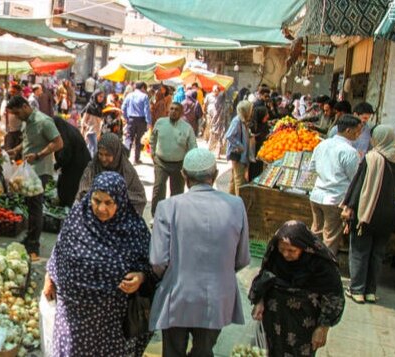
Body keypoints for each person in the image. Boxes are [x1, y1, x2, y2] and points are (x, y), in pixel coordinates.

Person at [150, 148, 250, 357]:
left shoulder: (168, 207)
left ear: (184, 176)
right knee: (203, 351)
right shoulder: (236, 205)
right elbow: (242, 258)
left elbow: (158, 261)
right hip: (217, 297)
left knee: (173, 351)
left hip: (177, 295)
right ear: (214, 176)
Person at [44, 172, 152, 357]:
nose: (101, 208)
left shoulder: (134, 228)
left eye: (109, 202)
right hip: (73, 316)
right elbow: (60, 249)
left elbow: (149, 263)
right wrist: (49, 277)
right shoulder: (78, 218)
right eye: (96, 200)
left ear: (120, 201)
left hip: (110, 322)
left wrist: (140, 277)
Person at [249, 221, 345, 357]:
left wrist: (323, 328)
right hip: (273, 319)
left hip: (302, 325)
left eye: (292, 250)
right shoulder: (274, 254)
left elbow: (334, 297)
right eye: (282, 249)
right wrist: (259, 301)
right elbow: (264, 279)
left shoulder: (321, 264)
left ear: (304, 247)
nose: (286, 255)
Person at [341, 125, 395, 303]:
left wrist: (349, 206)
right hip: (388, 214)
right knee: (377, 254)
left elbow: (358, 185)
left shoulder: (371, 158)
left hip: (367, 212)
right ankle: (370, 291)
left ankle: (357, 290)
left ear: (377, 139)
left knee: (359, 251)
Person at [6, 96, 64, 259]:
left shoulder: (43, 121)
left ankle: (34, 245)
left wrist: (39, 154)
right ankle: (30, 237)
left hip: (40, 171)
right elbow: (28, 141)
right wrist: (17, 150)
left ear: (25, 106)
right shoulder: (27, 122)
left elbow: (58, 143)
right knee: (30, 205)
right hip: (28, 171)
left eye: (18, 113)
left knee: (35, 208)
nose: (17, 117)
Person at [309, 115, 362, 255]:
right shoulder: (350, 152)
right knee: (330, 239)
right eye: (358, 131)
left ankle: (311, 263)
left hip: (317, 196)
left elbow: (312, 167)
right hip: (334, 199)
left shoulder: (322, 145)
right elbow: (354, 178)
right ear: (348, 130)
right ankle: (325, 269)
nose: (359, 134)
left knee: (316, 234)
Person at [77, 133, 147, 215]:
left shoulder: (127, 171)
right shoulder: (92, 168)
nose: (103, 159)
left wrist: (117, 200)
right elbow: (82, 193)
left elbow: (140, 198)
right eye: (100, 154)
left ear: (116, 154)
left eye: (108, 155)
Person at [150, 102, 197, 217]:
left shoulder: (187, 128)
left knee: (177, 192)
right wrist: (153, 153)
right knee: (159, 188)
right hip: (161, 162)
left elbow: (193, 147)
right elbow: (153, 138)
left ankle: (174, 216)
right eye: (171, 109)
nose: (173, 111)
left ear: (181, 113)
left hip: (179, 164)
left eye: (176, 109)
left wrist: (190, 165)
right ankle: (156, 215)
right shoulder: (160, 122)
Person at [52, 116, 91, 207]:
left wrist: (57, 165)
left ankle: (68, 205)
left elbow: (65, 155)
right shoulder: (68, 129)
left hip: (76, 164)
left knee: (69, 185)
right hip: (80, 162)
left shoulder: (64, 134)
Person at [226, 100, 253, 196]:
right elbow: (229, 135)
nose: (251, 112)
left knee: (234, 179)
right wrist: (240, 146)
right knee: (239, 181)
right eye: (250, 110)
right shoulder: (237, 121)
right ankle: (238, 202)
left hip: (241, 155)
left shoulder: (243, 121)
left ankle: (230, 199)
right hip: (238, 156)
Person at [122, 81, 152, 164]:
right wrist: (149, 122)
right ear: (142, 87)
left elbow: (123, 107)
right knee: (139, 139)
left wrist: (126, 118)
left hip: (131, 119)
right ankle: (136, 159)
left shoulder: (129, 95)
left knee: (128, 139)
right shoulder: (144, 96)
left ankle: (125, 158)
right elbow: (147, 110)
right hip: (141, 120)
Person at [204, 85, 228, 157]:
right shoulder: (223, 106)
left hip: (217, 126)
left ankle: (213, 152)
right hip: (219, 126)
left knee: (214, 137)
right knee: (219, 137)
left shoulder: (218, 106)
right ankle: (217, 153)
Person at [81, 90, 105, 157]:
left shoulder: (101, 107)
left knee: (90, 147)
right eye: (100, 96)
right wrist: (84, 128)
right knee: (94, 148)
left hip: (97, 131)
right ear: (95, 96)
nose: (101, 98)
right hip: (90, 131)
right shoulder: (90, 106)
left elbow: (101, 119)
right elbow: (84, 118)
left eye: (102, 97)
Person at [248, 105, 270, 181]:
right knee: (254, 169)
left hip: (261, 151)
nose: (268, 116)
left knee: (259, 169)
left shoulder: (264, 124)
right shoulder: (253, 126)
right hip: (254, 152)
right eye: (266, 114)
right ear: (261, 115)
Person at [2, 84, 23, 158]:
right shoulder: (8, 101)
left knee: (16, 154)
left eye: (14, 92)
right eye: (11, 91)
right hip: (9, 131)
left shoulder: (22, 102)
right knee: (8, 153)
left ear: (19, 92)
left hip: (18, 131)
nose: (11, 93)